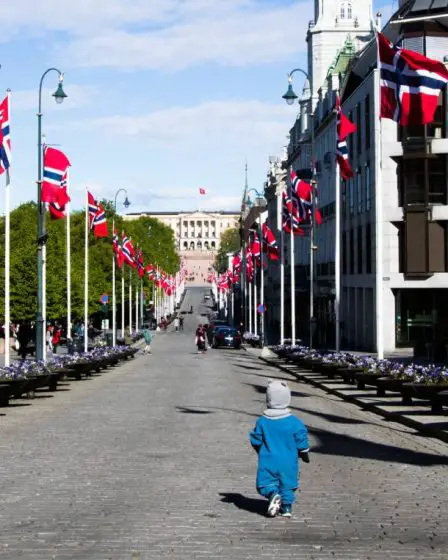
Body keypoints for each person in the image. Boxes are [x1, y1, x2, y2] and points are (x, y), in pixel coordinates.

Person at [249, 380, 310, 518]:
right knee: (288, 484)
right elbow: (301, 438)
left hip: (268, 459)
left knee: (265, 483)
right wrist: (304, 452)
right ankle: (286, 507)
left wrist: (258, 448)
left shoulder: (262, 421)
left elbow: (256, 439)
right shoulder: (294, 421)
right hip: (289, 460)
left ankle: (272, 493)